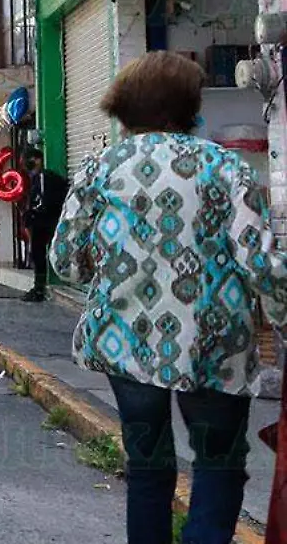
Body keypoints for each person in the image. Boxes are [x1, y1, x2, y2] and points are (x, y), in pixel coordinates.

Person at [52, 52, 287, 544]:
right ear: (185, 107)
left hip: (126, 342)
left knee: (148, 469)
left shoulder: (102, 166)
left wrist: (111, 267)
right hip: (215, 346)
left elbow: (64, 261)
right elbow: (260, 264)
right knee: (219, 465)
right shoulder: (226, 166)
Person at [21, 151, 68, 303]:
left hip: (45, 221)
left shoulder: (43, 177)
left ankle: (40, 288)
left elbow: (42, 201)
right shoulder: (37, 178)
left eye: (30, 159)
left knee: (38, 253)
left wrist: (33, 213)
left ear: (39, 160)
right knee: (38, 253)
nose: (27, 163)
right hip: (46, 220)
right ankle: (39, 287)